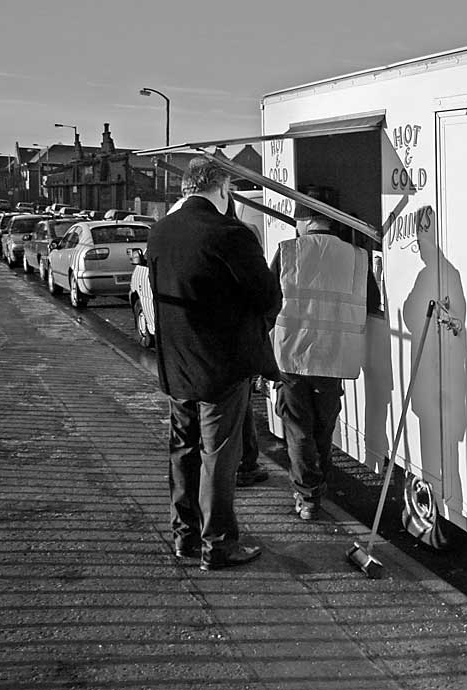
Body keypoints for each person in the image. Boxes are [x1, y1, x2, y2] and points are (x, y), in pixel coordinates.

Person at [147, 157, 281, 570]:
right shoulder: (230, 234)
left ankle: (184, 536)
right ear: (222, 190)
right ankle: (218, 543)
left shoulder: (160, 231)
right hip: (221, 366)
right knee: (219, 455)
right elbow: (267, 296)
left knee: (182, 450)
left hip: (176, 364)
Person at [272, 188, 377, 520]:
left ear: (303, 220)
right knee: (323, 427)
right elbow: (372, 303)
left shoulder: (288, 252)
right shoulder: (358, 257)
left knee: (298, 427)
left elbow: (268, 300)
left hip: (292, 357)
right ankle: (317, 487)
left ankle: (308, 495)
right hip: (334, 357)